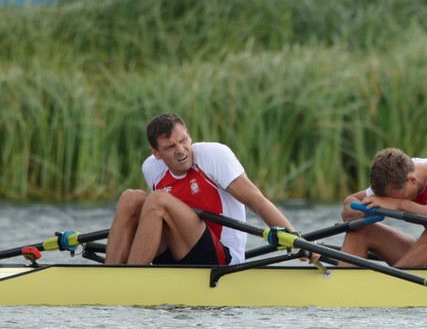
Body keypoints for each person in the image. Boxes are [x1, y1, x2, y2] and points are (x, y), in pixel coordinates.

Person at [105, 113, 300, 266]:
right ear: (156, 153)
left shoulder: (212, 156)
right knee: (131, 197)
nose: (181, 150)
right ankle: (109, 276)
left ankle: (129, 280)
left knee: (157, 200)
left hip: (221, 257)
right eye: (170, 147)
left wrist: (297, 239)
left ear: (189, 136)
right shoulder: (151, 168)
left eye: (183, 140)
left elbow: (256, 201)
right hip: (177, 251)